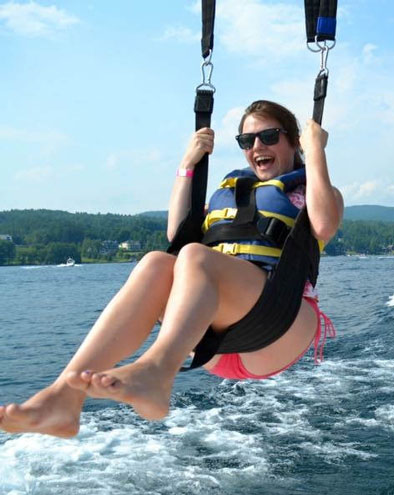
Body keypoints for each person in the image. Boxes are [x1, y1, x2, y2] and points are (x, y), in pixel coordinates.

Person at [0, 100, 343, 438]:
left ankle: (157, 372)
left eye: (268, 136)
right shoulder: (232, 193)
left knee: (193, 256)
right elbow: (176, 233)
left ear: (293, 140)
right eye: (246, 141)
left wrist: (314, 153)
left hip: (279, 323)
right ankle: (63, 399)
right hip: (211, 344)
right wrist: (187, 163)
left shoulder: (311, 191)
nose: (257, 146)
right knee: (155, 262)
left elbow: (324, 225)